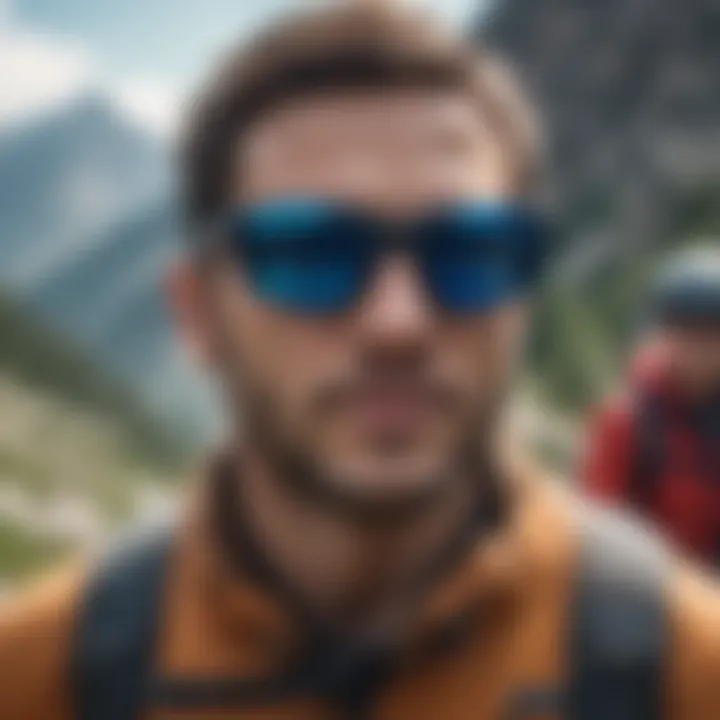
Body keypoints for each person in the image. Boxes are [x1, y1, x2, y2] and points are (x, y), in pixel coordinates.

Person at [2, 4, 720, 719]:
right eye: (311, 251)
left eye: (467, 251)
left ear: (523, 302)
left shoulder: (689, 670)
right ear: (199, 313)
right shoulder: (37, 677)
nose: (397, 322)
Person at [583, 246, 720, 564]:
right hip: (642, 587)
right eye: (686, 333)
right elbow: (594, 529)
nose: (697, 351)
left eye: (710, 335)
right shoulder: (629, 421)